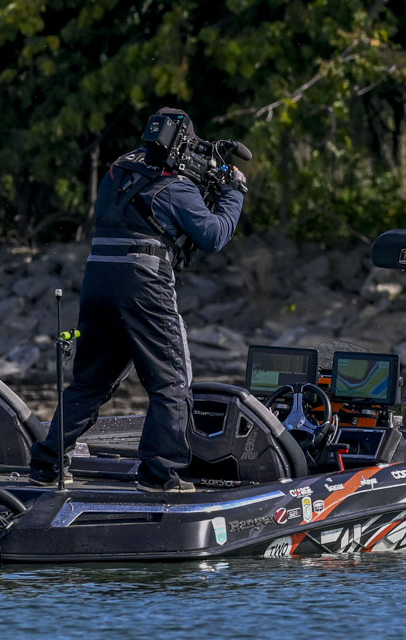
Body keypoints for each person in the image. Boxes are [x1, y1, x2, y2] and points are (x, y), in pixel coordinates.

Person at [28, 107, 246, 492]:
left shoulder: (118, 170)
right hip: (144, 282)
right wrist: (233, 194)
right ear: (182, 144)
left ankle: (47, 465)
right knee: (172, 381)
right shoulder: (176, 186)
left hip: (98, 280)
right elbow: (212, 236)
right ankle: (160, 474)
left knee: (89, 382)